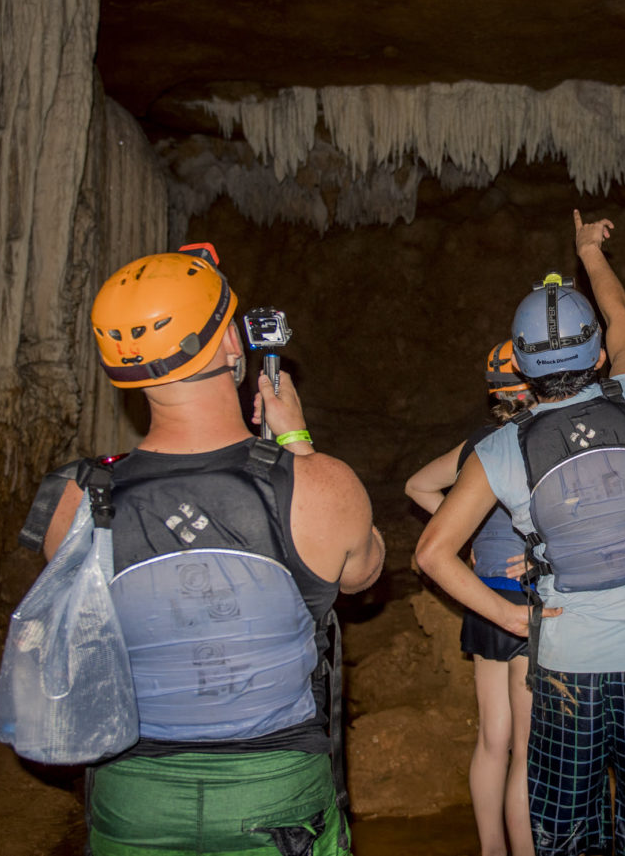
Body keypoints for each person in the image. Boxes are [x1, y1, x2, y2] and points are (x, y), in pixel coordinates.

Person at [34, 244, 383, 856]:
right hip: (276, 797)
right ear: (231, 345)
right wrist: (295, 441)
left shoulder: (76, 497)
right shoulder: (318, 485)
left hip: (132, 794)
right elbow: (364, 574)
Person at [415, 211, 625, 856]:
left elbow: (431, 552)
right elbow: (622, 316)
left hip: (564, 667)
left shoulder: (500, 449)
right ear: (599, 354)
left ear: (519, 363)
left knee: (567, 828)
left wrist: (510, 618)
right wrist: (589, 254)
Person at [407, 340, 537, 856]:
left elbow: (418, 485)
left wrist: (464, 537)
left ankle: (491, 851)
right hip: (529, 602)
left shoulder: (480, 443)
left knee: (492, 740)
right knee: (529, 752)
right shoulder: (543, 439)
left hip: (485, 599)